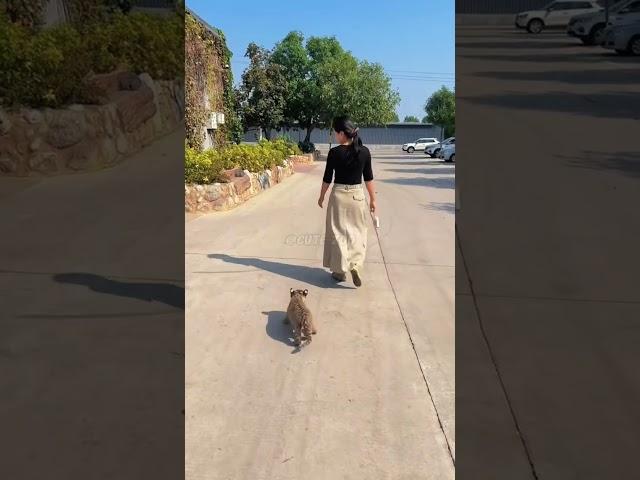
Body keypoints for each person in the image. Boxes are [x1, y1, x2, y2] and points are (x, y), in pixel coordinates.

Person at [318, 116, 376, 287]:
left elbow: (327, 178)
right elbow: (369, 178)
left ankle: (340, 271)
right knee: (357, 232)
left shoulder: (334, 153)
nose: (336, 136)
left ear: (342, 133)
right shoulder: (364, 151)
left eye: (336, 133)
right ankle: (356, 265)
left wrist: (321, 196)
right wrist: (373, 199)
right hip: (357, 196)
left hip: (339, 196)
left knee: (338, 234)